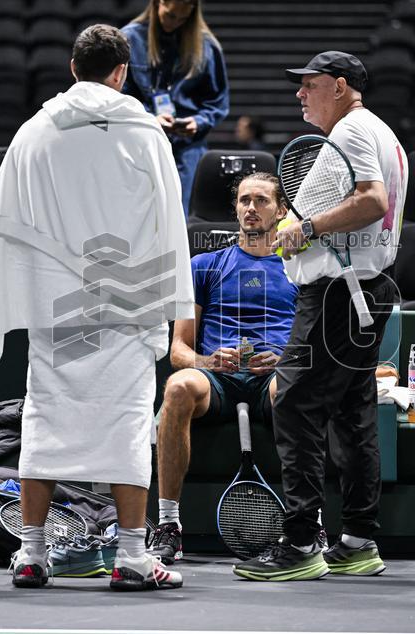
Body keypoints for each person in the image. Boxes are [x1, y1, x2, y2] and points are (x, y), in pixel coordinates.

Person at [0, 24, 195, 591]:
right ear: (121, 73)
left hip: (57, 302)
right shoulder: (146, 135)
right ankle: (131, 557)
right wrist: (170, 303)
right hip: (125, 296)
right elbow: (170, 223)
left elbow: (0, 224)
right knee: (124, 425)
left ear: (74, 67)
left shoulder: (34, 131)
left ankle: (30, 554)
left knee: (46, 420)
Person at [233, 51, 409, 581]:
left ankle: (300, 543)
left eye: (308, 85)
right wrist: (300, 226)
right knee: (353, 416)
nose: (299, 94)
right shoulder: (378, 131)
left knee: (292, 402)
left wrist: (305, 230)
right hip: (362, 291)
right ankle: (356, 540)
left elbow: (372, 201)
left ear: (338, 86)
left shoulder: (352, 131)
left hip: (338, 296)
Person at [148, 172, 298, 564]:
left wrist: (285, 360)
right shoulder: (205, 266)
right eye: (244, 200)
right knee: (178, 386)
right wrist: (206, 361)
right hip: (217, 378)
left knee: (292, 389)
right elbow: (178, 350)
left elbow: (311, 345)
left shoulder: (300, 270)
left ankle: (305, 523)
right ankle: (168, 526)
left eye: (262, 200)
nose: (251, 208)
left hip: (273, 377)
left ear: (281, 210)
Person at [122, 0, 229, 215]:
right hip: (142, 140)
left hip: (187, 146)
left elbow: (218, 102)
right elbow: (119, 95)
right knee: (138, 215)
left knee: (181, 216)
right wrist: (148, 117)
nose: (175, 23)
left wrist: (198, 122)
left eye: (183, 18)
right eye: (170, 15)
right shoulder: (129, 39)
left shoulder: (206, 45)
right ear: (157, 1)